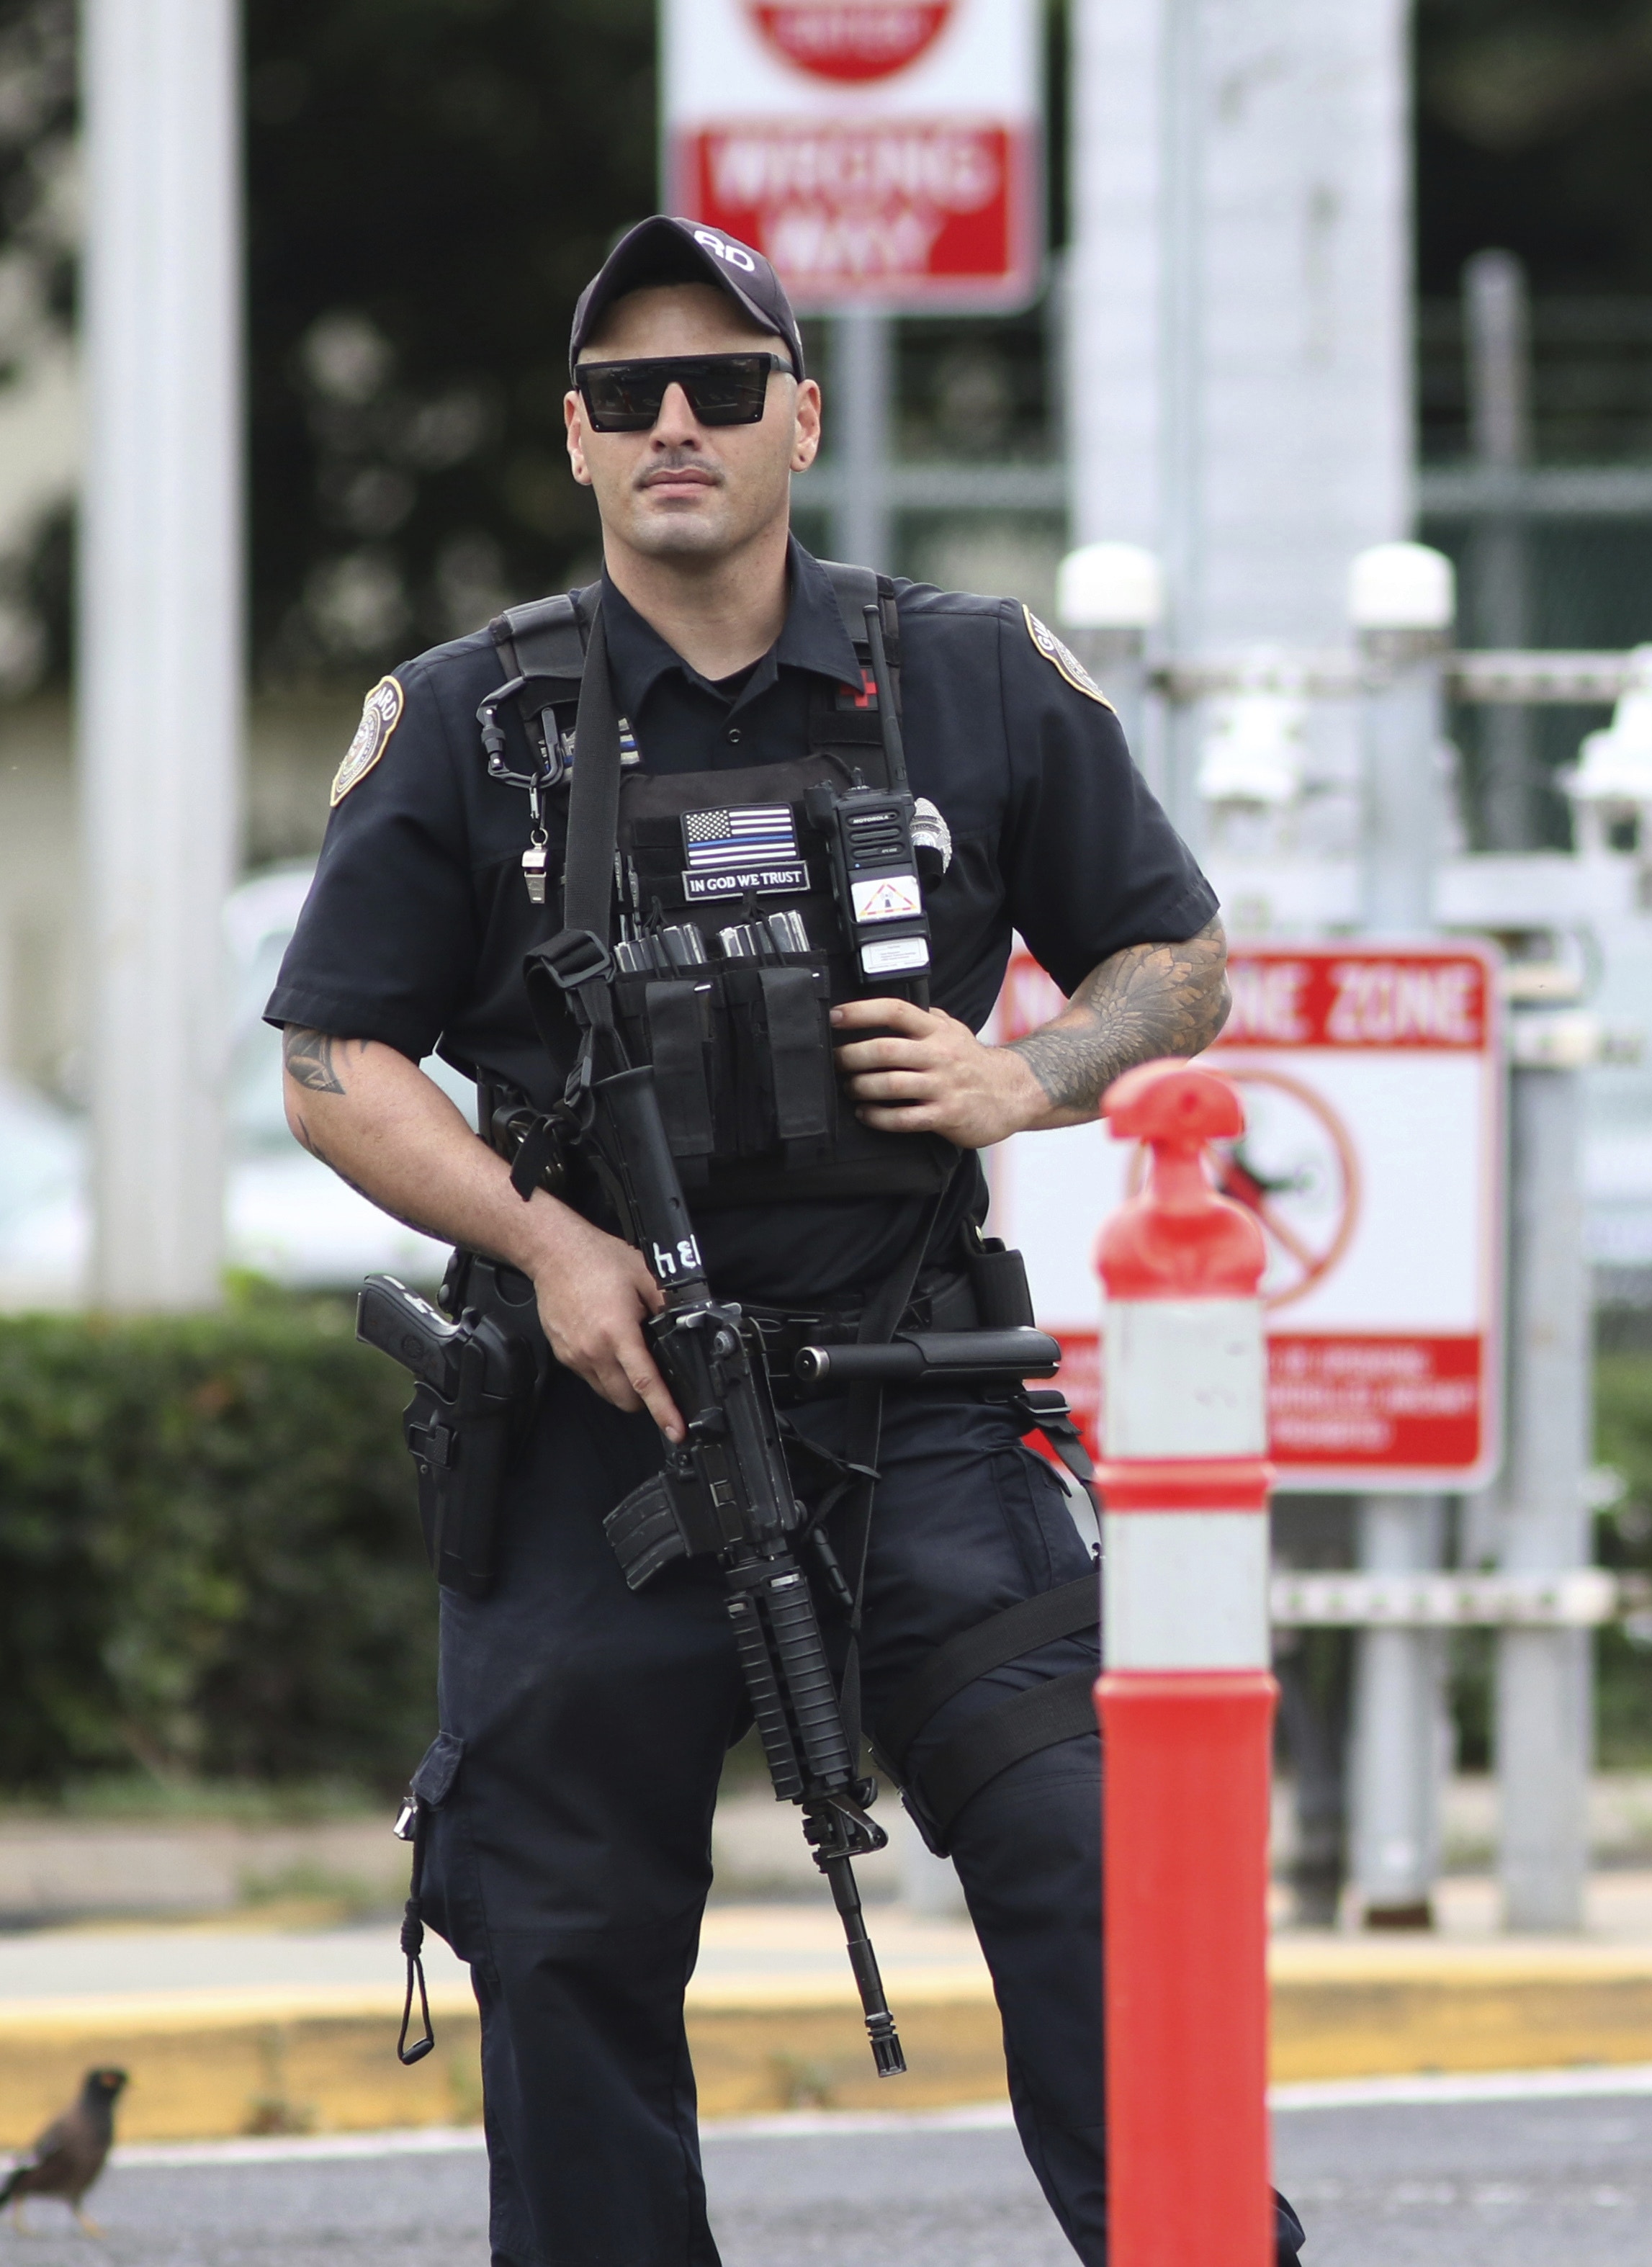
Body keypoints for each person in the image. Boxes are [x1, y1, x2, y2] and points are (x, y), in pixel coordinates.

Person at [267, 216, 1271, 2267]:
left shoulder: (973, 673)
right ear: (574, 439)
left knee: (1089, 1857)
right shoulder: (472, 720)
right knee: (560, 1933)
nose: (675, 423)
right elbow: (332, 1057)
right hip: (595, 1420)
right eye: (626, 392)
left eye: (722, 383)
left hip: (915, 1397)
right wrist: (545, 1243)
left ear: (800, 417)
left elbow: (1179, 961)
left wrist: (1030, 1073)